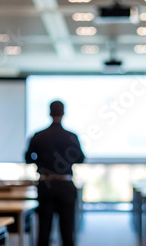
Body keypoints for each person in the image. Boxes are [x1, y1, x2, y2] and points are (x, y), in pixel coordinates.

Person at [25, 100, 85, 246]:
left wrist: (41, 162)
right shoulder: (71, 136)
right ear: (63, 113)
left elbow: (28, 158)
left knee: (44, 229)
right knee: (67, 231)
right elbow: (81, 158)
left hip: (46, 185)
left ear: (49, 113)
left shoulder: (38, 135)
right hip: (66, 185)